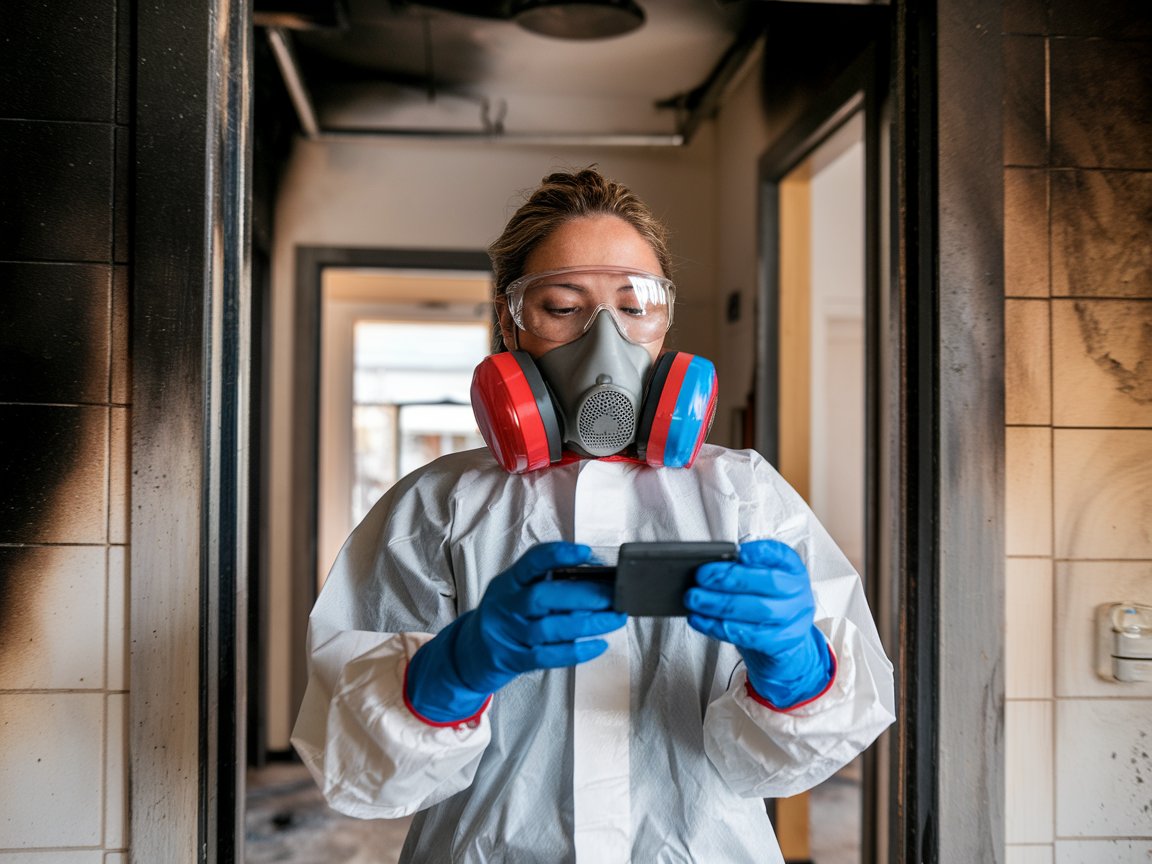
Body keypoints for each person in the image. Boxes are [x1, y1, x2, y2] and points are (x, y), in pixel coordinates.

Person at [291, 167, 895, 863]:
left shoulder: (745, 494)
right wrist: (452, 671)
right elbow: (362, 772)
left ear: (665, 324)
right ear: (509, 321)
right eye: (562, 305)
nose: (605, 339)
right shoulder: (436, 507)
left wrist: (796, 668)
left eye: (635, 306)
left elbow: (794, 762)